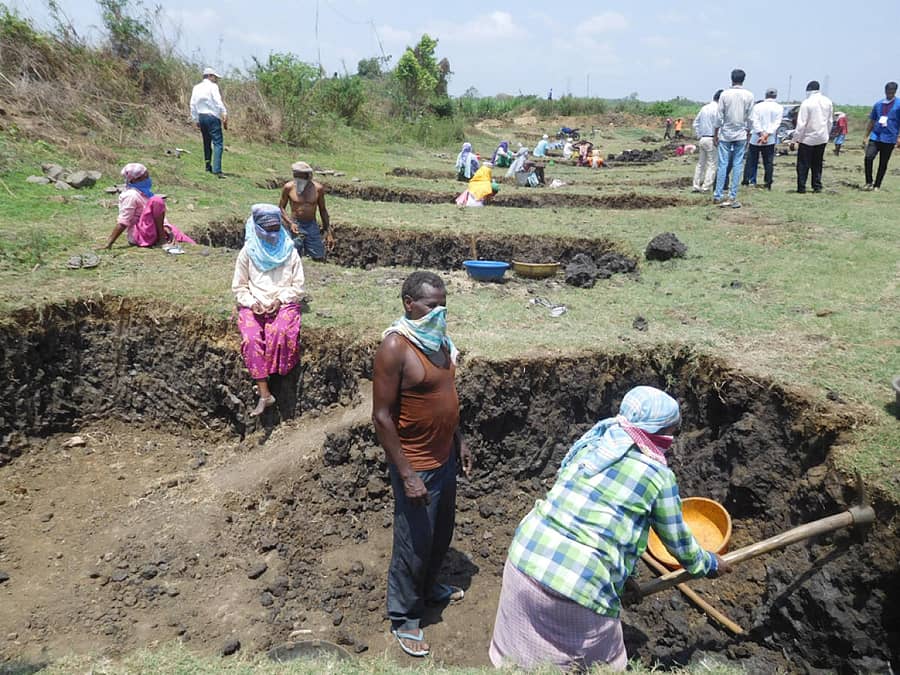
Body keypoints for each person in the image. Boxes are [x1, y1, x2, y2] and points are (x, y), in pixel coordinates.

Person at [489, 386, 732, 671]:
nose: (671, 438)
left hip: (524, 559)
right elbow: (679, 544)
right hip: (576, 587)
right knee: (602, 666)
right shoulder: (658, 477)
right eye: (671, 431)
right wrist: (709, 564)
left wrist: (620, 577)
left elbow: (590, 519)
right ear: (659, 432)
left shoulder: (593, 447)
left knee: (520, 662)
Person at [372, 271, 474, 658]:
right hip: (416, 463)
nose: (440, 312)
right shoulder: (396, 349)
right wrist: (408, 473)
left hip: (444, 455)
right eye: (433, 306)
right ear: (409, 304)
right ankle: (405, 617)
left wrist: (459, 440)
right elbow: (382, 416)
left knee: (440, 532)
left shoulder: (442, 344)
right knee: (413, 543)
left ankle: (430, 587)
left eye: (444, 305)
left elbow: (448, 396)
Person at [231, 204, 306, 417]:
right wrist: (252, 302)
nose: (272, 234)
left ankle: (275, 381)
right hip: (253, 304)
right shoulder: (248, 252)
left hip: (283, 303)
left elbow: (297, 287)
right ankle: (265, 393)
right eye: (267, 229)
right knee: (252, 339)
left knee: (280, 333)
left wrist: (280, 300)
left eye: (275, 228)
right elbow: (239, 287)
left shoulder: (290, 251)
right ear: (255, 228)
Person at [102, 163, 195, 250]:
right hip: (140, 234)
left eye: (148, 176)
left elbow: (158, 214)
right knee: (157, 200)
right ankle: (162, 240)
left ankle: (191, 246)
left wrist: (166, 227)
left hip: (152, 228)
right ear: (134, 180)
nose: (148, 179)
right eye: (145, 177)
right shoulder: (131, 195)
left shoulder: (145, 193)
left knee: (182, 237)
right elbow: (123, 221)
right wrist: (109, 243)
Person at [713, 68, 754, 208]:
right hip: (741, 133)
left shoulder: (725, 94)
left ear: (731, 78)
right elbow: (750, 117)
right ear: (743, 79)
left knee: (723, 164)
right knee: (737, 165)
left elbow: (719, 116)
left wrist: (716, 133)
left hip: (726, 133)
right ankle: (732, 195)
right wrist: (749, 132)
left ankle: (718, 194)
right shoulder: (749, 95)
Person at [279, 161, 332, 261]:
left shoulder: (318, 189)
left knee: (318, 255)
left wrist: (328, 232)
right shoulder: (288, 188)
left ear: (308, 176)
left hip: (311, 225)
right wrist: (290, 223)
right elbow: (281, 208)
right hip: (295, 224)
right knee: (292, 254)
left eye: (299, 175)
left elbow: (323, 210)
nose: (296, 177)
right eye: (295, 174)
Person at [794, 80, 833, 194]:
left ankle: (801, 187)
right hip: (822, 137)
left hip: (808, 138)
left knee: (803, 164)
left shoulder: (806, 103)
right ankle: (817, 186)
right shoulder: (828, 102)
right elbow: (830, 121)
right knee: (818, 163)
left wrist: (795, 139)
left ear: (809, 90)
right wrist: (827, 134)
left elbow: (801, 124)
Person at [189, 67, 228, 177]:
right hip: (212, 116)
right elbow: (217, 100)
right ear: (210, 76)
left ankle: (207, 165)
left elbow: (192, 104)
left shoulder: (196, 88)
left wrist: (195, 118)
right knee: (218, 143)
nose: (216, 79)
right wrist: (224, 112)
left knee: (206, 141)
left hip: (201, 116)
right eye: (215, 77)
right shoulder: (213, 87)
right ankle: (217, 170)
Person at [862, 82, 900, 191]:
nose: (889, 94)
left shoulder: (898, 105)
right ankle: (869, 182)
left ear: (895, 92)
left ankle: (877, 185)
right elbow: (872, 120)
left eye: (892, 92)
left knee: (883, 162)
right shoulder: (878, 104)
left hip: (890, 137)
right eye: (888, 92)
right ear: (885, 91)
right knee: (868, 157)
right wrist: (866, 136)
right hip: (876, 135)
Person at [742, 88, 782, 190]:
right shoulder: (779, 107)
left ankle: (748, 181)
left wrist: (761, 133)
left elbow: (754, 121)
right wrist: (767, 135)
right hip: (770, 139)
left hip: (756, 137)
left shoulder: (757, 106)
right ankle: (768, 183)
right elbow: (776, 123)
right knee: (768, 162)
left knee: (751, 161)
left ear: (765, 95)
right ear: (775, 96)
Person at [691, 90, 722, 193]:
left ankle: (696, 185)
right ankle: (706, 186)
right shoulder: (718, 109)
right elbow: (720, 125)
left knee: (701, 163)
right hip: (712, 138)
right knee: (712, 164)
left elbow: (695, 123)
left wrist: (699, 135)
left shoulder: (704, 108)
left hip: (703, 138)